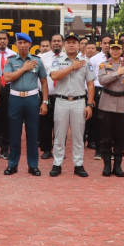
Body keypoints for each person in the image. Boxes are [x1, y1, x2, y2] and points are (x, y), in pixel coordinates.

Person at [48, 32, 95, 177]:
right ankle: (57, 164)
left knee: (78, 136)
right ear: (64, 44)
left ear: (79, 45)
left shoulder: (86, 62)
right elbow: (54, 76)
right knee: (59, 135)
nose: (71, 45)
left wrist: (89, 104)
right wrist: (72, 67)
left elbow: (90, 84)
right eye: (68, 42)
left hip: (79, 101)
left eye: (74, 42)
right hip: (61, 101)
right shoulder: (58, 60)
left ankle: (78, 164)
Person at [1, 32, 48, 176]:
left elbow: (44, 82)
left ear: (30, 44)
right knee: (14, 134)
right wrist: (24, 69)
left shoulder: (37, 61)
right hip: (15, 99)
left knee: (32, 134)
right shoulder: (10, 60)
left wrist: (45, 101)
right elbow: (7, 78)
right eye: (19, 43)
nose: (22, 45)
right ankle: (12, 164)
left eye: (25, 43)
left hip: (32, 99)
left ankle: (33, 165)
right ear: (16, 45)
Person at [96, 40, 124, 177]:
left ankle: (118, 165)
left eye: (118, 49)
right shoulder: (104, 65)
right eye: (113, 48)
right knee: (106, 137)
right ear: (109, 50)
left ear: (122, 51)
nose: (115, 51)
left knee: (120, 137)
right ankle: (107, 164)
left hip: (123, 105)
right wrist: (117, 73)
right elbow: (102, 80)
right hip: (106, 104)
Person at [0, 30, 16, 159]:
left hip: (8, 88)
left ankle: (5, 148)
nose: (2, 41)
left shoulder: (13, 55)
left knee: (7, 119)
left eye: (4, 39)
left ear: (8, 40)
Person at [37, 33, 63, 159]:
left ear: (62, 43)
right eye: (54, 41)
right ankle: (46, 149)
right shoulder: (42, 58)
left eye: (59, 41)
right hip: (46, 95)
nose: (56, 43)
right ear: (51, 43)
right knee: (45, 124)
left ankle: (59, 150)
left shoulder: (68, 57)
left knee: (61, 125)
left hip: (62, 96)